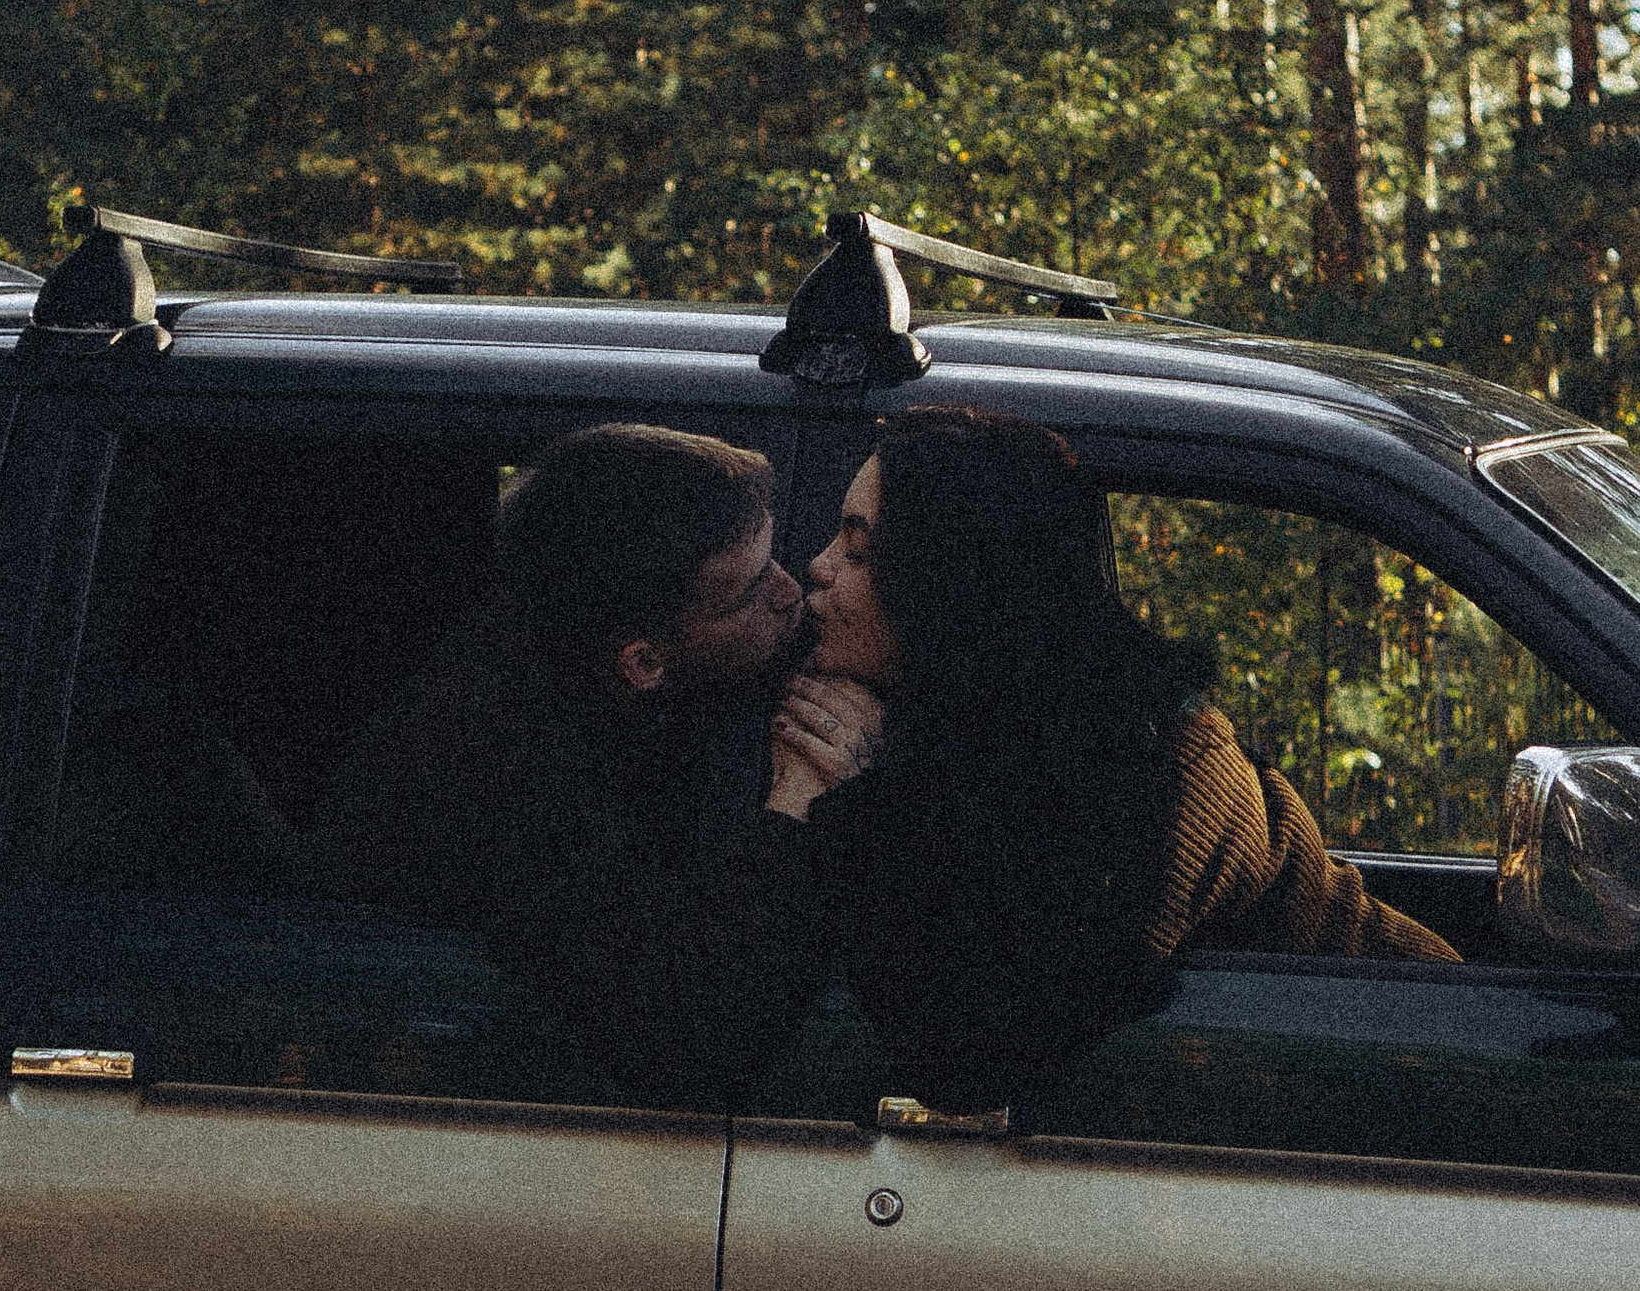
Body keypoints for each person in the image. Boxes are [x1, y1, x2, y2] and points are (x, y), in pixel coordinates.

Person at [775, 406, 1454, 1110]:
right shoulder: (935, 713)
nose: (814, 567)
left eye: (858, 551)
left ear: (950, 585)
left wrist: (855, 803)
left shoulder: (1170, 766)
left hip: (1431, 1067)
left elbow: (973, 1060)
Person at [301, 421, 868, 1106]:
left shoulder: (613, 652)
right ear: (645, 661)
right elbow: (690, 1041)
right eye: (749, 592)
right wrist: (796, 803)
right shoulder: (509, 778)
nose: (793, 589)